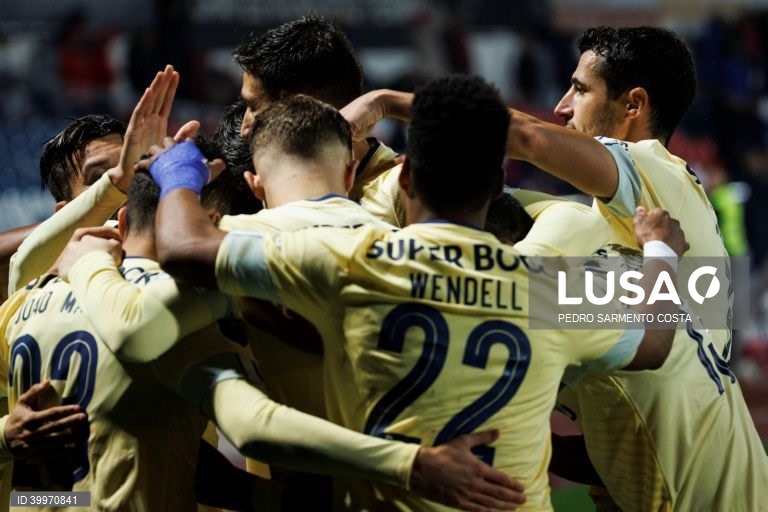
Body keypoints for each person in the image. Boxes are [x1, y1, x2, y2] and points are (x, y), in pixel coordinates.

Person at [144, 74, 687, 511]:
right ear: (499, 188)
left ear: (404, 181)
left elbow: (183, 248)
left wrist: (177, 173)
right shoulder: (544, 284)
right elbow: (657, 343)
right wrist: (662, 251)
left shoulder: (353, 260)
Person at [56, 101, 527, 512]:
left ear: (254, 184)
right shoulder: (429, 254)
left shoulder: (238, 246)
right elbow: (598, 302)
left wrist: (84, 265)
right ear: (348, 172)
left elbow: (136, 330)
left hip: (346, 494)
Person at [0, 115, 127, 303]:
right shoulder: (46, 290)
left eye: (133, 167)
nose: (124, 180)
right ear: (64, 213)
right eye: (101, 177)